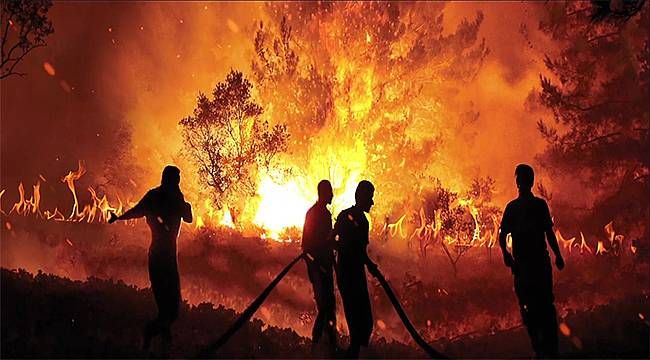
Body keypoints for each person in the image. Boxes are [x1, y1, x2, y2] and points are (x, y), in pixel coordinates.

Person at [108, 165, 192, 355]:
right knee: (168, 308)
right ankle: (149, 340)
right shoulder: (160, 197)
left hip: (166, 257)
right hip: (161, 257)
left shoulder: (165, 197)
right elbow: (138, 211)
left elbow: (188, 217)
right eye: (176, 179)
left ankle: (163, 345)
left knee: (170, 308)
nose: (177, 182)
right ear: (171, 179)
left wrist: (184, 203)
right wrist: (120, 217)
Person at [499, 164, 564, 358]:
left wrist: (558, 255)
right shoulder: (523, 207)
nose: (520, 182)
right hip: (530, 265)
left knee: (534, 305)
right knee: (538, 305)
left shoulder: (532, 206)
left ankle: (545, 348)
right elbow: (503, 234)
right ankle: (544, 348)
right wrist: (506, 254)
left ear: (520, 182)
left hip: (532, 265)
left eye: (520, 178)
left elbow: (548, 233)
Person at [332, 180, 378, 358]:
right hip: (349, 276)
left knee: (362, 320)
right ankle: (352, 354)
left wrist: (368, 264)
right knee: (360, 320)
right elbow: (336, 242)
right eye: (370, 198)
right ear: (361, 197)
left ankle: (353, 353)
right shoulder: (350, 218)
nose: (372, 203)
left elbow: (358, 250)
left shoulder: (355, 219)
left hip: (352, 274)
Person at [302, 180, 337, 356]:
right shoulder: (313, 214)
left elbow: (327, 243)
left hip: (326, 269)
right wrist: (315, 267)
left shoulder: (325, 214)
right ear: (323, 193)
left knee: (329, 308)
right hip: (319, 271)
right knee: (325, 308)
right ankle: (315, 346)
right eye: (330, 192)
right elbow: (305, 247)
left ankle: (331, 346)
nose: (332, 195)